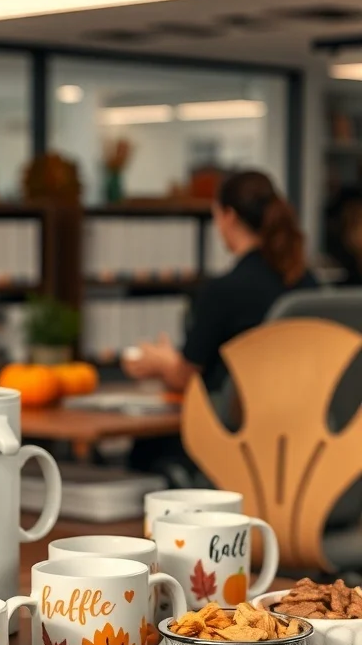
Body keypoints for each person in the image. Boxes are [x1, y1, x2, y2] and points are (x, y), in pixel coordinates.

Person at [123, 169, 319, 478]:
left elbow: (186, 377)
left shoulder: (224, 290)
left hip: (233, 437)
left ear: (227, 215)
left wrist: (161, 362)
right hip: (303, 436)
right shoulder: (307, 282)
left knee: (145, 450)